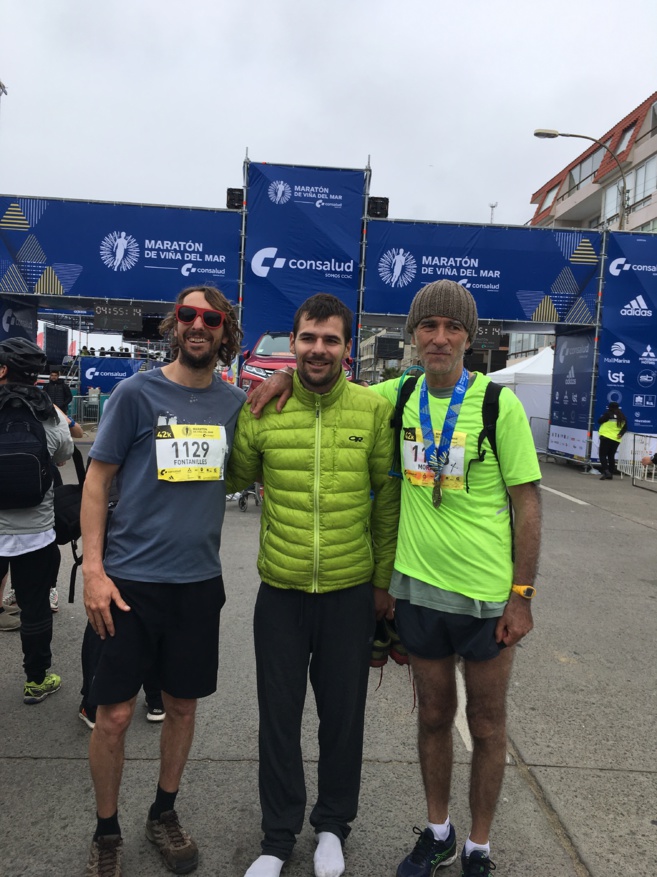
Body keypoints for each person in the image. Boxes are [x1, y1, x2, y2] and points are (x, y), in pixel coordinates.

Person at [251, 280, 542, 877]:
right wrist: (281, 377)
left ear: (469, 335)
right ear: (412, 335)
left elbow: (528, 504)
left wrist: (522, 595)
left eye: (452, 327)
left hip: (487, 596)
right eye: (428, 326)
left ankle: (479, 848)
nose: (439, 338)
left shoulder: (496, 404)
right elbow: (327, 385)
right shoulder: (396, 394)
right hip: (416, 590)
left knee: (485, 724)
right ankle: (438, 832)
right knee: (434, 717)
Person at [227, 293, 400, 877]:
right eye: (308, 338)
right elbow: (233, 475)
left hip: (350, 592)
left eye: (330, 340)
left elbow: (388, 501)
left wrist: (382, 583)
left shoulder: (372, 411)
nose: (318, 349)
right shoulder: (265, 406)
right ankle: (277, 838)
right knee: (278, 717)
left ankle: (332, 827)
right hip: (281, 589)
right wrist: (238, 406)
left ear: (348, 349)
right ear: (292, 345)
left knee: (342, 718)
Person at [80, 284, 244, 877]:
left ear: (226, 331)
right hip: (128, 584)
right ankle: (106, 830)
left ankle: (163, 812)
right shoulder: (134, 394)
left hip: (197, 584)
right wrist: (92, 570)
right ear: (175, 325)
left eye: (211, 318)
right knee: (115, 715)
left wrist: (276, 384)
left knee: (180, 705)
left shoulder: (234, 403)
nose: (198, 325)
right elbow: (97, 483)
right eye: (188, 315)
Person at [0, 338, 74, 699]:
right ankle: (36, 679)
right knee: (35, 607)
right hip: (36, 532)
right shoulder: (49, 413)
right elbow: (65, 452)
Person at [597, 401, 627, 479]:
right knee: (611, 456)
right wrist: (620, 434)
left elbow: (599, 421)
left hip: (606, 437)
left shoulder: (608, 414)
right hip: (616, 439)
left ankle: (606, 471)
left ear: (609, 408)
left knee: (602, 455)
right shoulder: (622, 416)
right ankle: (610, 473)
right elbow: (625, 428)